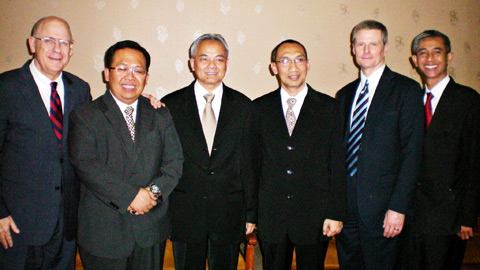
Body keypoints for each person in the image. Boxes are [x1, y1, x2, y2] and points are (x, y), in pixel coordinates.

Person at [68, 40, 183, 269]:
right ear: (106, 73)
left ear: (146, 77)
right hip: (103, 234)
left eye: (138, 70)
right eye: (121, 68)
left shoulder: (159, 114)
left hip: (150, 231)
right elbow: (86, 166)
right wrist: (130, 196)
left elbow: (174, 163)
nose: (130, 77)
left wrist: (152, 193)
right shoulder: (85, 115)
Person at [0, 16, 91, 269]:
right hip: (17, 224)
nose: (56, 49)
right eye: (48, 40)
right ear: (32, 44)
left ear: (71, 49)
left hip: (66, 224)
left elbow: (100, 127)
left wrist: (139, 101)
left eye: (64, 42)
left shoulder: (80, 89)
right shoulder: (5, 88)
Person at [161, 33, 256, 270]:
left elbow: (251, 165)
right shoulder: (170, 105)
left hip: (230, 215)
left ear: (226, 63)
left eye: (219, 59)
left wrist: (251, 214)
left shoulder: (245, 107)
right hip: (184, 214)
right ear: (192, 63)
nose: (211, 66)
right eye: (204, 59)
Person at [335, 20, 424, 269]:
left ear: (385, 48)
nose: (366, 50)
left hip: (385, 208)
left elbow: (412, 154)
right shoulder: (344, 94)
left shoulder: (406, 90)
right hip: (347, 207)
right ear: (352, 49)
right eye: (360, 44)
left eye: (373, 44)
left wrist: (398, 207)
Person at [254, 39, 346, 270]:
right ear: (274, 67)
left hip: (315, 217)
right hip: (271, 216)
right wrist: (252, 214)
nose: (292, 67)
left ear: (307, 64)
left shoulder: (330, 108)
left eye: (299, 60)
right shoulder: (258, 109)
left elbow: (337, 164)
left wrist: (336, 212)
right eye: (285, 61)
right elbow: (253, 164)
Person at [399, 30, 480, 270]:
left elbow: (475, 163)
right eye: (423, 53)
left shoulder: (468, 100)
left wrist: (468, 217)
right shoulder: (410, 99)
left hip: (448, 217)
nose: (430, 58)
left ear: (449, 56)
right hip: (410, 216)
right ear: (414, 60)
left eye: (437, 52)